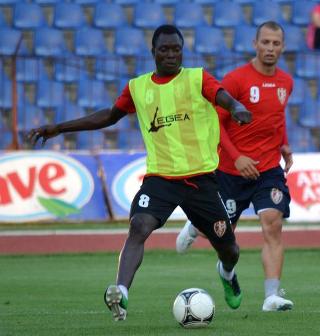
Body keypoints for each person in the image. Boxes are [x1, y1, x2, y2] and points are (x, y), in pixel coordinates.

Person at [27, 24, 252, 321]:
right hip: (160, 178)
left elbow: (222, 95)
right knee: (139, 226)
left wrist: (235, 107)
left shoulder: (197, 78)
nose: (171, 54)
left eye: (176, 49)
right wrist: (59, 128)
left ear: (182, 51)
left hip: (201, 179)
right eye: (164, 49)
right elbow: (108, 116)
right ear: (153, 52)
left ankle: (226, 272)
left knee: (230, 248)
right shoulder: (138, 87)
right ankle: (121, 293)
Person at [176, 21, 294, 312]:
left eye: (275, 43)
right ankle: (197, 229)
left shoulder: (286, 82)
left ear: (282, 47)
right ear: (255, 44)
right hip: (230, 171)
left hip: (267, 168)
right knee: (218, 233)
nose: (270, 48)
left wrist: (284, 143)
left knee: (273, 223)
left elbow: (276, 117)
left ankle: (271, 296)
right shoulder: (236, 79)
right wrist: (236, 156)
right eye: (265, 42)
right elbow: (215, 121)